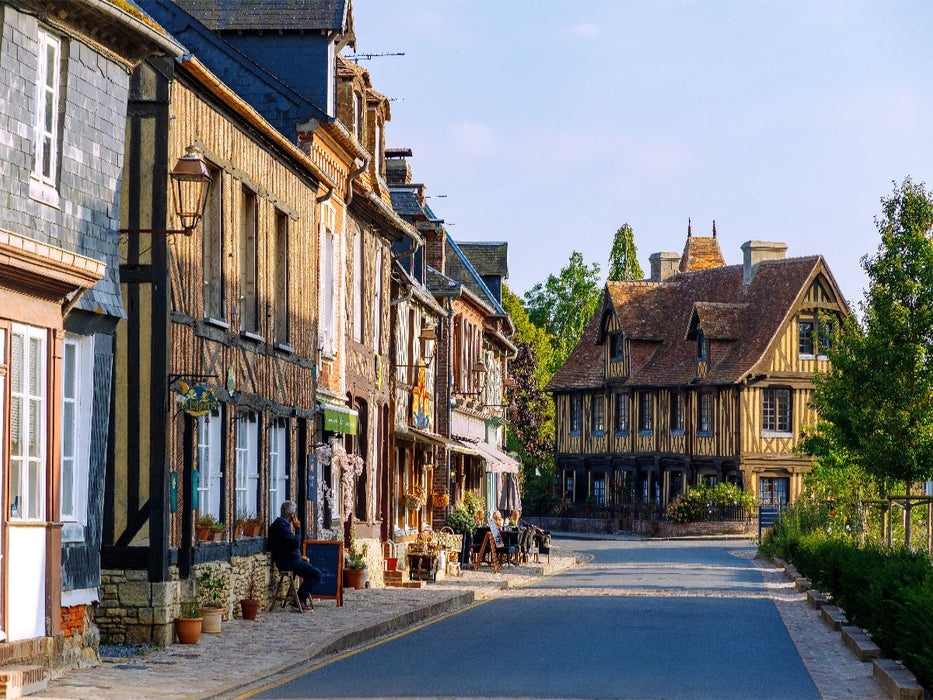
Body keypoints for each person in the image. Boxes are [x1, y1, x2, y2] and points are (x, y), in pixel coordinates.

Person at [268, 501, 321, 610]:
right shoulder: (281, 527)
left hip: (291, 559)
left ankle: (300, 599)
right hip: (288, 563)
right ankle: (299, 600)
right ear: (292, 515)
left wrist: (300, 556)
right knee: (316, 574)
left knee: (309, 570)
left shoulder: (281, 525)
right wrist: (298, 528)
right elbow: (295, 543)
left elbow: (287, 546)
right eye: (294, 514)